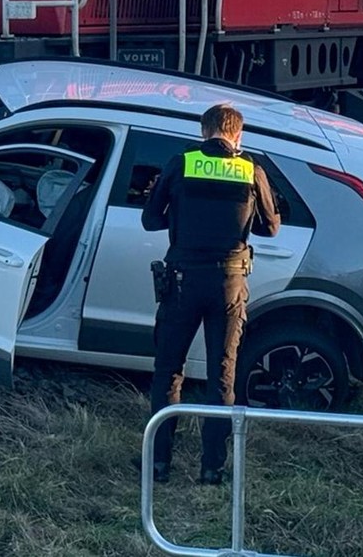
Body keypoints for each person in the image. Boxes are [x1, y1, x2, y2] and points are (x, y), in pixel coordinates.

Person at [140, 103, 281, 485]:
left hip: (182, 280)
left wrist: (183, 217)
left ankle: (158, 464)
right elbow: (271, 229)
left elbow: (150, 219)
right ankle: (211, 469)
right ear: (238, 135)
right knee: (222, 375)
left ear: (203, 132)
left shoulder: (181, 162)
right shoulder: (252, 170)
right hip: (229, 284)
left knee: (169, 370)